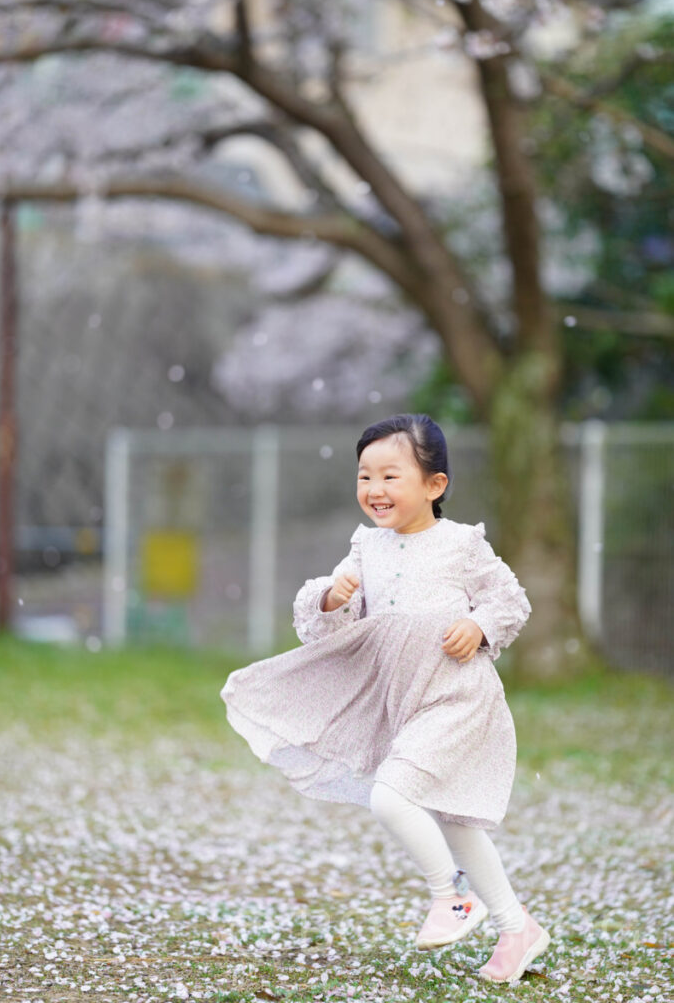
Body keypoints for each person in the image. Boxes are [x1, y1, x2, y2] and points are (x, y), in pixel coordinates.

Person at [221, 413, 550, 983]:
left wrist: (478, 625)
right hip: (402, 703)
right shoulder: (365, 548)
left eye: (390, 476)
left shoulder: (461, 545)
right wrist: (331, 596)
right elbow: (329, 629)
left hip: (457, 698)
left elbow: (510, 601)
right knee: (454, 821)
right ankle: (516, 927)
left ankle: (449, 896)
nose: (374, 490)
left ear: (434, 485)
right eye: (364, 476)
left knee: (391, 798)